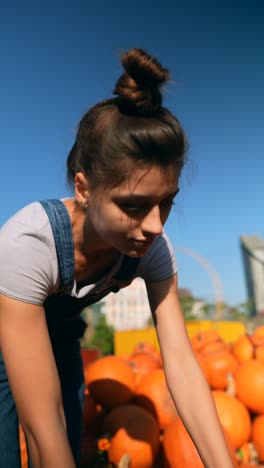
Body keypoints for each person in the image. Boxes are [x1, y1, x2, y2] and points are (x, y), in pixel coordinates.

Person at [0, 48, 235, 468]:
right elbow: (42, 426)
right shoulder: (28, 243)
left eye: (166, 204)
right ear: (84, 188)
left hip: (61, 338)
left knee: (69, 444)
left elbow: (181, 365)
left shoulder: (152, 250)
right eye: (134, 205)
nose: (156, 226)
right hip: (4, 336)